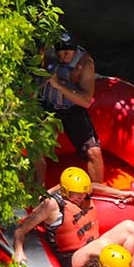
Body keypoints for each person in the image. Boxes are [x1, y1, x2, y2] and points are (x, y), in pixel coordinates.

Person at [13, 166, 134, 267]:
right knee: (102, 245)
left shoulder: (82, 191)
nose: (82, 196)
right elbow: (21, 230)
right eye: (78, 194)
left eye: (84, 193)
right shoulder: (51, 205)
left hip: (92, 246)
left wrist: (120, 193)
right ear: (65, 191)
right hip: (71, 259)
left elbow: (93, 187)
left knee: (130, 227)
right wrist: (19, 252)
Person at [36, 31, 104, 185]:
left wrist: (58, 85)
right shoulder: (47, 54)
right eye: (60, 53)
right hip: (47, 107)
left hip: (72, 109)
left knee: (94, 152)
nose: (63, 57)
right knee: (38, 150)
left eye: (67, 53)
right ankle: (38, 191)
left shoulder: (84, 63)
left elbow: (86, 101)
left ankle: (100, 194)